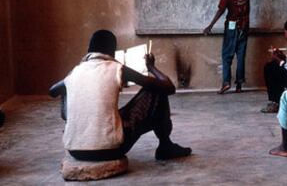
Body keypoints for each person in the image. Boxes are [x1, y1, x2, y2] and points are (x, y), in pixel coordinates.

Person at [49, 30, 191, 161]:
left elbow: (53, 91)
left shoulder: (75, 72)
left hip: (75, 150)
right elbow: (168, 87)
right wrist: (151, 67)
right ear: (113, 52)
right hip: (111, 150)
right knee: (155, 90)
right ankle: (165, 146)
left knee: (69, 93)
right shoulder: (117, 68)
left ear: (88, 50)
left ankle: (78, 133)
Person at [204, 0, 258, 94]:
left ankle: (226, 83)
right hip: (244, 26)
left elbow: (221, 10)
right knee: (241, 54)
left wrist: (210, 25)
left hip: (232, 26)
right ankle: (239, 85)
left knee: (227, 54)